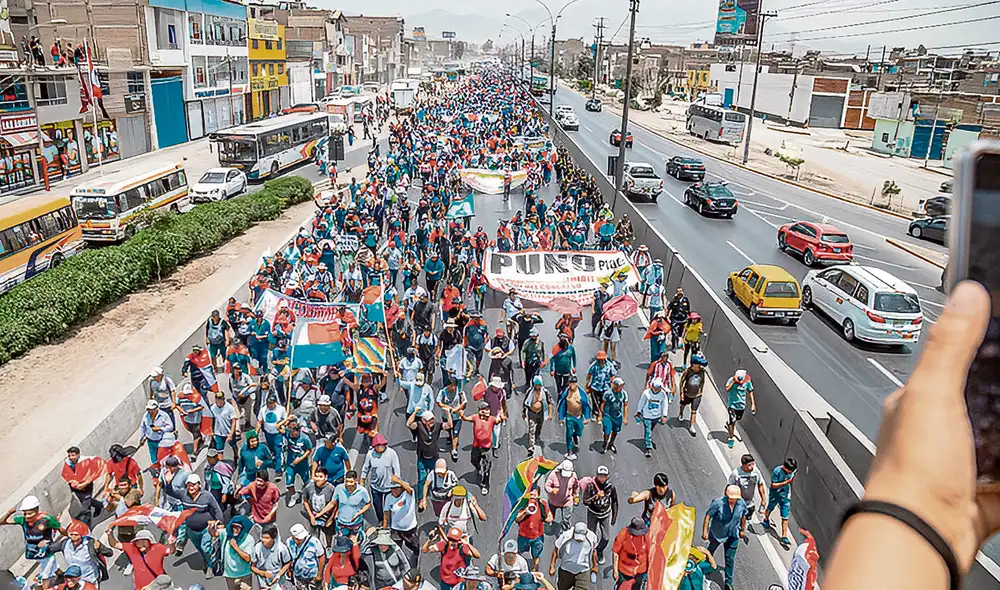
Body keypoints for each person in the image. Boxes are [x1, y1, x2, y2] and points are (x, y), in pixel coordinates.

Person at [162, 472, 224, 577]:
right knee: (200, 548)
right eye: (189, 485)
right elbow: (170, 492)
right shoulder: (183, 494)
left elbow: (216, 510)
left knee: (205, 547)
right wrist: (168, 483)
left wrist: (220, 523)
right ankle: (207, 559)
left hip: (206, 529)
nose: (191, 487)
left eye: (194, 484)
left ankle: (211, 566)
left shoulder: (207, 496)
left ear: (199, 485)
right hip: (191, 530)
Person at [1, 495, 67, 586]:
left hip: (47, 552)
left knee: (45, 577)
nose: (27, 516)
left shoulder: (47, 519)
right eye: (25, 513)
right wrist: (9, 512)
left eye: (29, 513)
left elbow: (61, 529)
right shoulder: (22, 520)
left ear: (36, 511)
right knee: (54, 568)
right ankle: (63, 577)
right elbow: (2, 522)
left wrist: (70, 537)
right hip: (34, 553)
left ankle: (46, 587)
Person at [701, 485, 747, 590]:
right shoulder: (718, 504)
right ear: (726, 495)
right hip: (717, 534)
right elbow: (708, 516)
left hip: (732, 535)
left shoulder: (741, 504)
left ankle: (728, 583)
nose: (733, 501)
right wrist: (705, 531)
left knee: (730, 559)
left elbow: (743, 516)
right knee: (709, 552)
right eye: (731, 499)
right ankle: (702, 570)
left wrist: (742, 530)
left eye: (735, 499)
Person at [104, 529, 174, 590]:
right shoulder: (131, 547)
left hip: (158, 586)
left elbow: (170, 551)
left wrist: (172, 544)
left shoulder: (158, 548)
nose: (140, 543)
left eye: (143, 541)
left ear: (149, 541)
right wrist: (110, 535)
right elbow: (115, 544)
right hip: (141, 588)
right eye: (138, 541)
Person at [581, 466, 618, 565]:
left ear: (607, 477)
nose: (602, 478)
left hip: (605, 515)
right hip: (593, 514)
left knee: (606, 538)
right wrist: (595, 497)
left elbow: (614, 501)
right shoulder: (591, 486)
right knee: (590, 535)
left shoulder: (610, 487)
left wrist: (614, 516)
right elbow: (585, 501)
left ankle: (599, 550)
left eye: (604, 476)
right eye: (600, 476)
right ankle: (589, 551)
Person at [462, 401, 500, 494]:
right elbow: (465, 418)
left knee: (487, 468)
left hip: (487, 448)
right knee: (473, 460)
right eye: (485, 409)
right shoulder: (475, 418)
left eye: (488, 409)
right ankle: (478, 467)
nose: (487, 411)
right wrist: (461, 412)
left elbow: (500, 419)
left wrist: (501, 413)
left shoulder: (491, 419)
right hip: (476, 446)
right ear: (480, 411)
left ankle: (485, 485)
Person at [360, 433, 401, 518]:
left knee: (389, 507)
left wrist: (396, 485)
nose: (380, 447)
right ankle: (381, 520)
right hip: (375, 487)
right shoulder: (370, 455)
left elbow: (397, 470)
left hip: (389, 487)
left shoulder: (391, 453)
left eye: (382, 445)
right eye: (377, 446)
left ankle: (388, 521)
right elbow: (365, 469)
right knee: (378, 507)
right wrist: (362, 484)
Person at [549, 522, 598, 590]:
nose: (579, 540)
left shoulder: (592, 538)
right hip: (566, 570)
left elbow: (594, 552)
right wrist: (552, 566)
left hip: (583, 570)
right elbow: (556, 550)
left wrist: (595, 566)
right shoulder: (565, 536)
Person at [408, 410, 442, 502]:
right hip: (422, 459)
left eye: (432, 419)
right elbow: (409, 424)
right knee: (422, 479)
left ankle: (434, 493)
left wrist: (448, 414)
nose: (432, 421)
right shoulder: (419, 426)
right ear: (424, 421)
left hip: (434, 458)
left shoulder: (437, 426)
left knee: (435, 477)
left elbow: (449, 425)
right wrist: (415, 412)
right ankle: (421, 499)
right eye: (429, 419)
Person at [762, 457, 796, 547]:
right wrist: (786, 482)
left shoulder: (792, 471)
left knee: (785, 516)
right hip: (775, 494)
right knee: (770, 507)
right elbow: (773, 485)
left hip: (785, 495)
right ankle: (766, 519)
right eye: (789, 471)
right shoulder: (777, 471)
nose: (790, 473)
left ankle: (784, 536)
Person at [515, 488, 552, 571]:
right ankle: (519, 566)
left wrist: (546, 518)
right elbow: (517, 519)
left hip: (538, 536)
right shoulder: (522, 504)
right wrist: (525, 512)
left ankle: (534, 568)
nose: (532, 498)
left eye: (534, 496)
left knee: (536, 554)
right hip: (523, 535)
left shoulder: (543, 503)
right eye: (530, 495)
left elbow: (550, 517)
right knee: (520, 552)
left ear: (538, 496)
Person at [384, 477, 420, 557]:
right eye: (392, 489)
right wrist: (384, 528)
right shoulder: (388, 497)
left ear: (401, 488)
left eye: (396, 488)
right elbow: (386, 513)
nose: (394, 491)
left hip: (409, 529)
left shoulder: (408, 495)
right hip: (396, 529)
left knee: (414, 546)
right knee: (395, 549)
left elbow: (409, 489)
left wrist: (397, 480)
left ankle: (417, 556)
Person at [216, 515, 255, 590]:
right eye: (233, 527)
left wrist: (235, 547)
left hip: (244, 575)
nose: (235, 529)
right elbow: (215, 533)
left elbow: (248, 558)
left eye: (238, 527)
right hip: (229, 575)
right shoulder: (227, 534)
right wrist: (212, 528)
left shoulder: (249, 539)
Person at [557, 377, 590, 461]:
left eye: (574, 383)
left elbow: (586, 405)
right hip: (569, 416)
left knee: (579, 431)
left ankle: (576, 435)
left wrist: (586, 417)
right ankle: (570, 451)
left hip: (578, 417)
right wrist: (561, 417)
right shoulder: (566, 393)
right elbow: (562, 405)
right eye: (571, 383)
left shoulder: (580, 393)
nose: (572, 385)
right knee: (569, 434)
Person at [332, 470, 372, 541]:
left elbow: (368, 504)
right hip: (342, 524)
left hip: (356, 524)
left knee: (356, 544)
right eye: (346, 481)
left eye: (351, 482)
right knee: (342, 545)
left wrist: (359, 513)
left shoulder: (362, 491)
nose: (348, 484)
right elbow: (333, 502)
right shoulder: (339, 488)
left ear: (355, 480)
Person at [611, 517, 649, 590]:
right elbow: (615, 553)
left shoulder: (646, 536)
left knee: (636, 587)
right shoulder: (623, 534)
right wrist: (615, 570)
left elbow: (651, 552)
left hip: (640, 571)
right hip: (624, 571)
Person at [302, 469, 337, 546]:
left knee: (328, 534)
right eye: (316, 476)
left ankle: (328, 547)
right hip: (313, 516)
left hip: (327, 517)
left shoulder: (331, 489)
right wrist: (311, 516)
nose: (318, 479)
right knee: (313, 535)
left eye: (321, 476)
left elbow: (335, 505)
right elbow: (305, 501)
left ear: (326, 477)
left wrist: (331, 519)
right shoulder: (309, 487)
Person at [634, 378, 669, 459]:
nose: (656, 390)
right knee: (648, 430)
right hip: (647, 416)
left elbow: (665, 405)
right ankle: (648, 447)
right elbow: (641, 402)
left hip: (656, 416)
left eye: (658, 388)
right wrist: (639, 411)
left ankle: (647, 438)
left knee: (650, 429)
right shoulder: (646, 393)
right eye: (655, 387)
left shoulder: (663, 394)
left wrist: (664, 415)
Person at [252, 524, 293, 590]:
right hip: (263, 583)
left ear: (273, 538)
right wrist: (263, 573)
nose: (263, 540)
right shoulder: (257, 548)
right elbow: (253, 567)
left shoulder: (281, 548)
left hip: (279, 582)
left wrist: (278, 576)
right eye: (262, 537)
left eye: (267, 538)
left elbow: (287, 563)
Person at [727, 454, 766, 522]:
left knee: (745, 519)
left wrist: (763, 499)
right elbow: (729, 487)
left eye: (753, 464)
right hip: (737, 503)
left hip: (750, 504)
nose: (752, 467)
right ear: (743, 465)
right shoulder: (736, 474)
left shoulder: (756, 472)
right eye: (749, 465)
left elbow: (760, 485)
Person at [283, 420, 314, 507]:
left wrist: (300, 459)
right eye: (291, 433)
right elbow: (278, 427)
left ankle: (309, 496)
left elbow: (309, 450)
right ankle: (294, 495)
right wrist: (287, 419)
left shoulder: (305, 438)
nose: (292, 436)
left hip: (302, 465)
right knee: (289, 483)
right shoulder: (288, 434)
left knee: (307, 482)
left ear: (299, 431)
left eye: (294, 433)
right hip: (290, 464)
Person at [287, 523, 326, 590]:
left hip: (312, 575)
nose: (297, 540)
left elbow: (321, 557)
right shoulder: (289, 542)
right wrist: (289, 570)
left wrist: (319, 575)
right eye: (295, 538)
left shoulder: (314, 542)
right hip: (297, 576)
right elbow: (288, 558)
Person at [522, 376, 554, 457]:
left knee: (539, 426)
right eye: (536, 385)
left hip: (541, 413)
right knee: (531, 428)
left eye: (539, 385)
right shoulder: (530, 392)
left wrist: (550, 413)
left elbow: (550, 402)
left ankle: (537, 437)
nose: (537, 387)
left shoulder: (545, 392)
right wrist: (523, 412)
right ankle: (531, 446)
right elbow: (525, 402)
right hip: (531, 412)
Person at [676, 355, 707, 436]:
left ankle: (692, 425)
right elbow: (681, 382)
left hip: (697, 395)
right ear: (693, 365)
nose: (698, 367)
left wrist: (700, 392)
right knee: (683, 405)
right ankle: (681, 413)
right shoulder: (688, 371)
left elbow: (702, 382)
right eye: (697, 365)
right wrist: (681, 393)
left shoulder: (702, 372)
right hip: (687, 393)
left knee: (694, 411)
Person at [545, 460, 579, 534]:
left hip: (567, 501)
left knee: (566, 519)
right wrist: (551, 490)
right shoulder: (553, 474)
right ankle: (549, 527)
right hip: (553, 501)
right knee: (550, 517)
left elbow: (576, 486)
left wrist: (576, 495)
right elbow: (547, 486)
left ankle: (565, 533)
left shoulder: (573, 476)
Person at [724, 369, 755, 448]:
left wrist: (753, 404)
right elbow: (727, 389)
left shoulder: (747, 382)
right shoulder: (731, 380)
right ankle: (731, 438)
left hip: (741, 406)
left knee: (738, 418)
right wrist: (734, 382)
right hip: (732, 405)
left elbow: (750, 391)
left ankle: (730, 424)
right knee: (732, 420)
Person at [585, 351, 616, 423]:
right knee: (595, 401)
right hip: (595, 386)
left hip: (606, 387)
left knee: (603, 401)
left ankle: (601, 414)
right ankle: (594, 413)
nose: (601, 361)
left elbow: (612, 375)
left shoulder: (609, 365)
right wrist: (587, 384)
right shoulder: (594, 365)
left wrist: (612, 385)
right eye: (600, 359)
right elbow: (589, 374)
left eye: (602, 359)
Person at [600, 377, 628, 455]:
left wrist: (625, 417)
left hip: (617, 415)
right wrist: (601, 414)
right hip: (608, 414)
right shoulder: (608, 393)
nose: (621, 387)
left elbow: (625, 405)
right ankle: (605, 443)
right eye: (620, 385)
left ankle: (611, 443)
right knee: (607, 430)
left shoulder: (623, 394)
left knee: (615, 430)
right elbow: (603, 403)